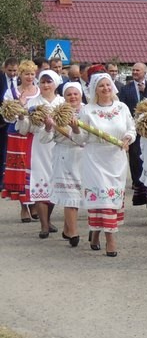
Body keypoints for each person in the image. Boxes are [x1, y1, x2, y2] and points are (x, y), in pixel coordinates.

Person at [74, 73, 135, 256]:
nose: (106, 89)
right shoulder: (87, 110)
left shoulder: (122, 107)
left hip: (116, 158)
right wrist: (76, 128)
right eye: (101, 86)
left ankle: (95, 233)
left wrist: (127, 138)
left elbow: (131, 128)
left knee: (112, 198)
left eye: (108, 85)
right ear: (94, 89)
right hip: (95, 158)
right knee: (102, 198)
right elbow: (81, 139)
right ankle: (111, 240)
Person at [19, 69, 65, 237]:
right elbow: (25, 130)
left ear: (55, 83)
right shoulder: (32, 103)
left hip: (59, 145)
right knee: (40, 182)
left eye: (49, 82)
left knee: (54, 183)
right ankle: (44, 225)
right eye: (43, 82)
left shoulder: (62, 103)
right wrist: (21, 115)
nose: (46, 85)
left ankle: (48, 218)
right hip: (39, 146)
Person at [44, 81, 85, 247]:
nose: (73, 97)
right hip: (64, 155)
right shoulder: (57, 113)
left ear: (81, 95)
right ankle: (74, 233)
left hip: (83, 157)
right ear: (64, 97)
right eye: (69, 94)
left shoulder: (88, 111)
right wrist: (48, 127)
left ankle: (67, 229)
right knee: (70, 196)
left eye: (76, 94)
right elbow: (44, 138)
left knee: (78, 195)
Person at [2, 60, 40, 222]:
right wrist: (20, 107)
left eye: (32, 74)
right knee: (20, 169)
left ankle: (33, 202)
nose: (29, 77)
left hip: (35, 134)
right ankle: (23, 206)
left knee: (34, 167)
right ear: (20, 75)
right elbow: (7, 115)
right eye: (26, 74)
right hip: (17, 133)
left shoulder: (39, 91)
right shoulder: (12, 92)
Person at [120, 62, 147, 207]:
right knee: (135, 157)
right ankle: (138, 183)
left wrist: (145, 92)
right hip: (134, 128)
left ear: (145, 72)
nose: (135, 72)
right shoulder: (125, 89)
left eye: (138, 70)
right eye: (133, 70)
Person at [0, 58, 16, 190]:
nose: (12, 73)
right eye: (9, 70)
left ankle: (9, 181)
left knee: (10, 152)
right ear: (4, 68)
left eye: (15, 70)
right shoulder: (0, 79)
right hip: (1, 122)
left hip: (16, 123)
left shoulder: (20, 80)